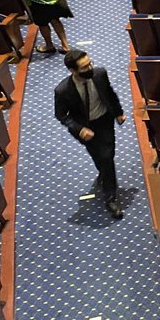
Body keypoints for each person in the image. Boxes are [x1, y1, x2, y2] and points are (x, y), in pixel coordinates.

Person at [54, 50, 126, 219]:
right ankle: (108, 187)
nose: (90, 68)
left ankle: (109, 194)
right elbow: (61, 115)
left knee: (108, 155)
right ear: (73, 71)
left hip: (104, 120)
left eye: (90, 63)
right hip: (84, 128)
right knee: (100, 157)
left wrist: (118, 113)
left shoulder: (100, 74)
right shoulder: (62, 91)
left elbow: (110, 94)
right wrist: (79, 129)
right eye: (85, 67)